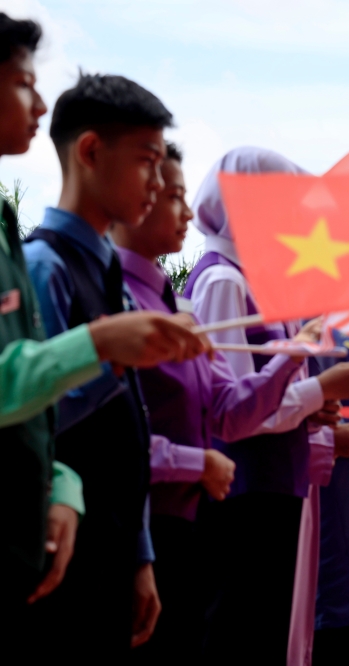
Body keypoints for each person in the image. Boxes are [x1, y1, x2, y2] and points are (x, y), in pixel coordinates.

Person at [108, 142, 349, 663]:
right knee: (242, 631)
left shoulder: (246, 277)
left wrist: (307, 399)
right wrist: (316, 389)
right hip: (246, 485)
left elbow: (244, 393)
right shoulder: (225, 278)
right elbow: (231, 407)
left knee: (261, 628)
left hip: (265, 479)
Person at [0, 17, 208, 656]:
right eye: (146, 162)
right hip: (55, 548)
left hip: (102, 540)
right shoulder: (45, 265)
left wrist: (139, 554)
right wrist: (106, 350)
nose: (157, 183)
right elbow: (40, 410)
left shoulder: (109, 271)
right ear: (90, 152)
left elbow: (126, 431)